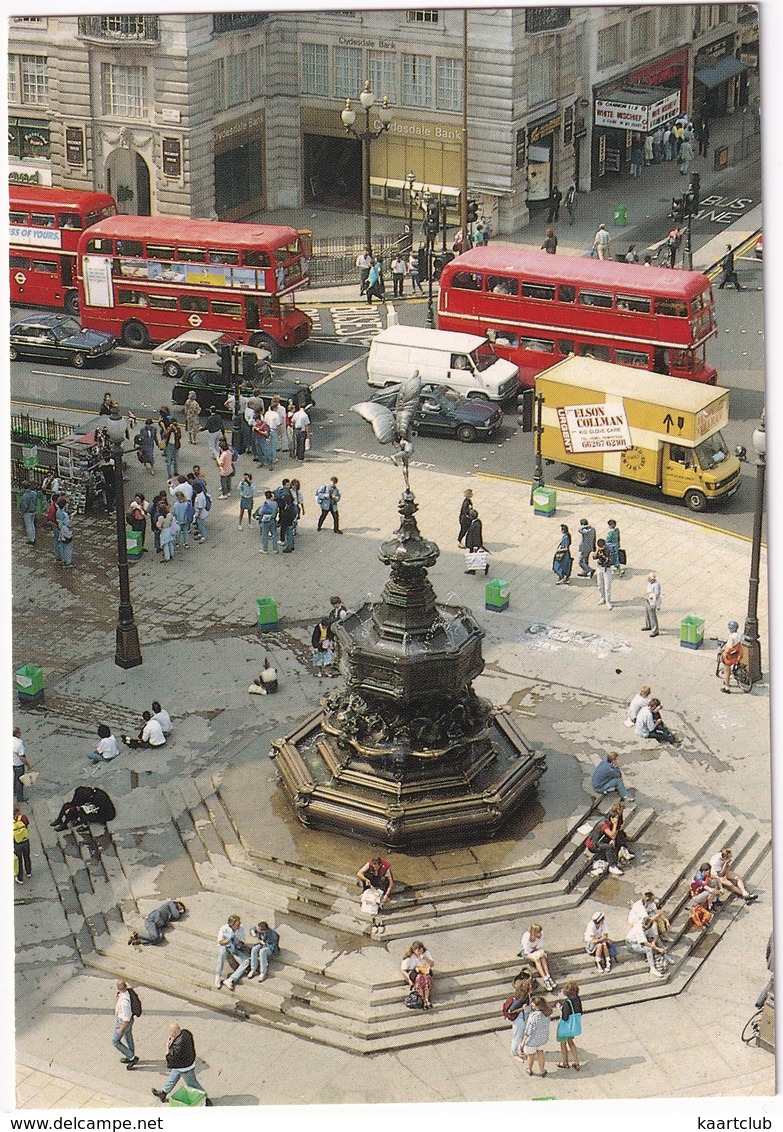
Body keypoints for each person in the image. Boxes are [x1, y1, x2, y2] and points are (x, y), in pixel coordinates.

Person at [152, 1023, 210, 1104]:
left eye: (171, 1033)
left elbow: (171, 1057)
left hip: (184, 1067)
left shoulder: (178, 1045)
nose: (170, 1035)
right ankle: (164, 1092)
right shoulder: (186, 1033)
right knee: (173, 1076)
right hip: (187, 1062)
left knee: (192, 1084)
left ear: (174, 1033)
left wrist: (167, 1047)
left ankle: (205, 1099)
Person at [51, 786, 116, 832]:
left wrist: (81, 808)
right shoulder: (93, 792)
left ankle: (83, 825)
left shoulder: (98, 799)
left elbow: (98, 810)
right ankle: (59, 819)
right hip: (96, 807)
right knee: (66, 805)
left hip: (105, 815)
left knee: (81, 811)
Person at [518, 924, 556, 991]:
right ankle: (544, 978)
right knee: (537, 959)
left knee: (542, 957)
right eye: (538, 932)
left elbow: (539, 947)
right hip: (526, 951)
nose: (540, 934)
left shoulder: (541, 934)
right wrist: (536, 954)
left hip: (535, 949)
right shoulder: (526, 937)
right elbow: (527, 951)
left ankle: (548, 976)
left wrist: (540, 952)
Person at [521, 995, 552, 1076]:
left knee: (530, 1056)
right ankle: (542, 1070)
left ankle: (530, 1070)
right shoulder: (546, 1014)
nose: (531, 1004)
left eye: (533, 1004)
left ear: (538, 1006)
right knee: (540, 1053)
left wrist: (524, 1040)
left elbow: (529, 1029)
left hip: (532, 1040)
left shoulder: (534, 1016)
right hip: (542, 1038)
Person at [215, 915, 249, 989]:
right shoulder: (224, 928)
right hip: (225, 946)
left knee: (246, 961)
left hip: (235, 948)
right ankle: (218, 976)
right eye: (237, 924)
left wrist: (238, 943)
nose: (239, 926)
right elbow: (220, 942)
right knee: (222, 954)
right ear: (232, 924)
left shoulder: (241, 928)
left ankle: (231, 979)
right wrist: (229, 940)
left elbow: (242, 941)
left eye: (239, 923)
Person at [556, 981, 583, 1070]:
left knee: (563, 1044)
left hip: (565, 1026)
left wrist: (560, 1008)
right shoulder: (577, 999)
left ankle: (565, 1062)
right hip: (573, 1026)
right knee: (571, 1043)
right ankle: (577, 1062)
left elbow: (564, 1017)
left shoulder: (567, 1002)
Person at [113, 981, 139, 1069]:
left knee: (115, 1041)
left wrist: (121, 1029)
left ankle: (132, 1057)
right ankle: (130, 1054)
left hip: (123, 1022)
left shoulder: (124, 1003)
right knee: (128, 1037)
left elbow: (126, 1019)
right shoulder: (125, 993)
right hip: (127, 1020)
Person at [275, 478, 298, 552]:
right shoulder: (288, 492)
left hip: (287, 515)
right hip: (290, 514)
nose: (289, 486)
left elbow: (277, 496)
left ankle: (290, 546)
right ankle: (291, 544)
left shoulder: (285, 494)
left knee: (288, 530)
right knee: (289, 529)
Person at [464, 508, 489, 575]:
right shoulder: (476, 522)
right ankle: (472, 569)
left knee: (475, 557)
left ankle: (484, 566)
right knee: (474, 557)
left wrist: (476, 546)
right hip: (472, 543)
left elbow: (476, 536)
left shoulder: (476, 525)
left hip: (474, 544)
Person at [721, 620, 743, 692]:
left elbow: (729, 648)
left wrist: (724, 649)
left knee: (726, 670)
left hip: (730, 657)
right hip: (737, 654)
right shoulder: (739, 635)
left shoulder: (732, 637)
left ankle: (727, 687)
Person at [13, 727, 33, 803]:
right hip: (18, 764)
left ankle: (14, 791)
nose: (21, 733)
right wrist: (28, 765)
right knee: (19, 781)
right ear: (17, 734)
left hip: (12, 762)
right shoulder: (19, 743)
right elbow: (21, 756)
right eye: (19, 732)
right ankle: (20, 797)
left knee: (15, 778)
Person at [13, 804, 32, 884]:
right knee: (27, 856)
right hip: (25, 841)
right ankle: (28, 872)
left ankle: (20, 878)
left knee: (19, 861)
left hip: (16, 844)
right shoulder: (23, 817)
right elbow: (27, 824)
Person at [592, 538, 613, 609]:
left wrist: (603, 556)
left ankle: (608, 602)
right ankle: (602, 598)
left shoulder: (609, 549)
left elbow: (610, 561)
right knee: (600, 585)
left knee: (607, 587)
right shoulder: (598, 549)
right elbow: (594, 557)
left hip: (607, 568)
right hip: (599, 567)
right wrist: (597, 552)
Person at [56, 497, 74, 568]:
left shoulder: (58, 512)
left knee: (62, 546)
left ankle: (63, 560)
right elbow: (67, 523)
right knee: (68, 547)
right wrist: (71, 518)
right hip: (66, 531)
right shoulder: (65, 514)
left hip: (61, 530)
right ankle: (68, 562)